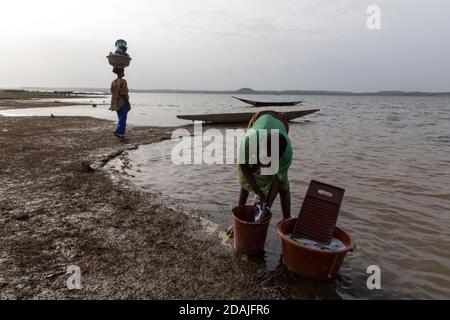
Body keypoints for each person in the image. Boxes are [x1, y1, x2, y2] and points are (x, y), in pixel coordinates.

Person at [237, 111, 293, 220]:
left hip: (281, 123)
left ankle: (287, 220)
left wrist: (267, 207)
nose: (267, 164)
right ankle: (239, 215)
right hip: (260, 118)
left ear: (280, 158)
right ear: (260, 147)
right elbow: (243, 165)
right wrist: (258, 190)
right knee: (247, 177)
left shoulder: (287, 155)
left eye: (271, 161)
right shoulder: (249, 141)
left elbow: (278, 179)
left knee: (283, 182)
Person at [110, 67, 131, 139]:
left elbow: (112, 92)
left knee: (120, 118)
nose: (124, 72)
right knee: (123, 118)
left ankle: (119, 132)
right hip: (122, 102)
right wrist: (128, 103)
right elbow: (124, 94)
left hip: (116, 102)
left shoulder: (114, 82)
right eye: (123, 71)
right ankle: (120, 133)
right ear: (121, 72)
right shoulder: (123, 81)